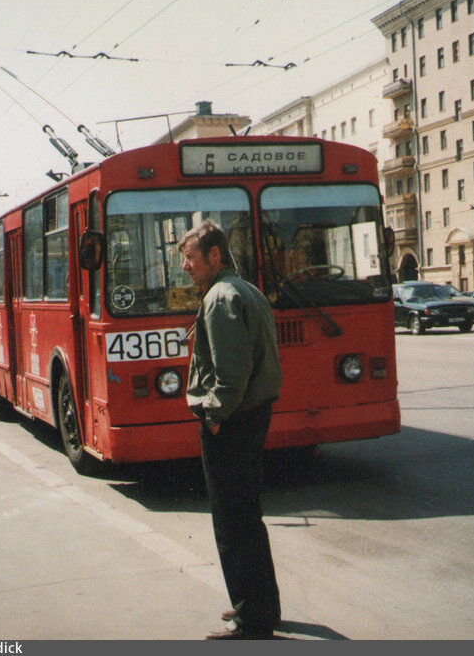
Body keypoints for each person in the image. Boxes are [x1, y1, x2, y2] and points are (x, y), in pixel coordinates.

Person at [178, 220, 283, 640]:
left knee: (231, 521)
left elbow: (229, 373)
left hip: (232, 420)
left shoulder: (220, 298)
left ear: (214, 256)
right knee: (248, 516)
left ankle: (251, 619)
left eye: (190, 258)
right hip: (254, 414)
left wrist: (216, 417)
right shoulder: (248, 289)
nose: (185, 267)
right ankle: (261, 606)